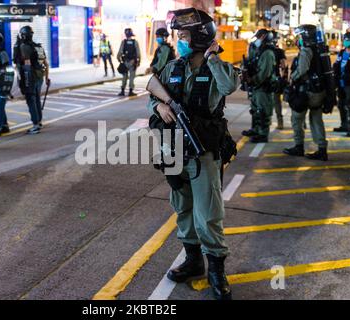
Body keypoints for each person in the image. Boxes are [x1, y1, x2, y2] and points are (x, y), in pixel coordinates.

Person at [147, 8, 239, 300]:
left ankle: (216, 270)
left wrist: (213, 58)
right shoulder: (173, 67)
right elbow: (153, 93)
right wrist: (158, 107)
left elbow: (229, 85)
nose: (179, 41)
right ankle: (193, 260)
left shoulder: (215, 69)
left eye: (184, 36)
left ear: (199, 38)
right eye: (178, 36)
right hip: (173, 152)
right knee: (182, 206)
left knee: (208, 213)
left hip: (203, 154)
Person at [283, 25, 329, 161]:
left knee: (296, 119)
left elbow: (302, 69)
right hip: (319, 91)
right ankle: (322, 149)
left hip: (306, 92)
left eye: (299, 36)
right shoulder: (319, 49)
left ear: (305, 36)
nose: (298, 39)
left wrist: (293, 77)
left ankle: (299, 146)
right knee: (316, 120)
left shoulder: (306, 50)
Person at [14, 26, 51, 135]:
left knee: (31, 100)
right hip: (39, 77)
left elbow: (18, 63)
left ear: (24, 35)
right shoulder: (38, 47)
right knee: (36, 99)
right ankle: (39, 121)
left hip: (29, 76)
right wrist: (47, 77)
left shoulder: (23, 47)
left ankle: (35, 125)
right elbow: (46, 64)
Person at [242, 29, 277, 143]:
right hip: (258, 87)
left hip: (263, 86)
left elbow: (264, 73)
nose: (256, 40)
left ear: (264, 38)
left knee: (263, 111)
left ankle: (263, 134)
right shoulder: (259, 50)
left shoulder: (267, 53)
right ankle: (256, 129)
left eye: (258, 38)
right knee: (255, 109)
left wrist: (252, 80)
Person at [333, 31, 350, 137]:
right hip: (340, 83)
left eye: (348, 40)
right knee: (341, 105)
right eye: (345, 39)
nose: (346, 42)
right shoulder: (341, 53)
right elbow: (336, 64)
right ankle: (344, 125)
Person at [117, 28, 141, 97]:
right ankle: (130, 91)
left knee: (124, 76)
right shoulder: (135, 42)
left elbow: (120, 52)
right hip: (133, 62)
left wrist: (120, 60)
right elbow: (138, 53)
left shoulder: (123, 42)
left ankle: (122, 91)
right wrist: (139, 61)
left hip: (125, 62)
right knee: (131, 77)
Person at [272, 30, 287, 130]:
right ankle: (280, 122)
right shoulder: (279, 51)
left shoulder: (263, 50)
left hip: (265, 80)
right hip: (275, 78)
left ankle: (267, 121)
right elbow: (283, 66)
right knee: (277, 102)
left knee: (267, 102)